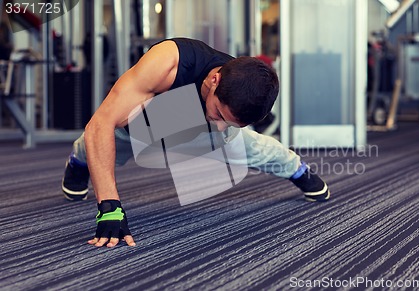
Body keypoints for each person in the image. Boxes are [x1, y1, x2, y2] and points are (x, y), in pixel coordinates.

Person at [62, 38, 330, 248]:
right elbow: (101, 123)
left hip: (195, 117)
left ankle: (298, 170)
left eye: (231, 122)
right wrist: (109, 207)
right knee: (105, 135)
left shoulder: (239, 89)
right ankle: (79, 160)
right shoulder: (167, 62)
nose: (221, 126)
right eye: (221, 114)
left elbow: (227, 125)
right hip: (152, 117)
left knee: (250, 146)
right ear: (215, 81)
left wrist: (223, 122)